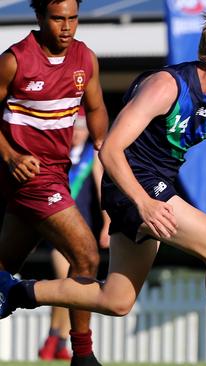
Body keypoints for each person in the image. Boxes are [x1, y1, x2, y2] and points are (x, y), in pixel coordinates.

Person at [0, 3, 206, 366]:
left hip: (154, 192)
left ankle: (14, 291)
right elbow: (111, 149)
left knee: (117, 300)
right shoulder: (167, 86)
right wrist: (143, 203)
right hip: (133, 186)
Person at [0, 1, 108, 365]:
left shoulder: (85, 59)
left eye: (73, 18)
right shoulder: (14, 60)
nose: (67, 27)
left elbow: (95, 108)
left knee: (4, 265)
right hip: (30, 177)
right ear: (40, 18)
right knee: (87, 255)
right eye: (58, 18)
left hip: (58, 173)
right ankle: (82, 355)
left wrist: (102, 142)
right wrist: (11, 156)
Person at [38, 109, 110, 361]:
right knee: (64, 279)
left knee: (72, 286)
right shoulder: (57, 155)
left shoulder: (94, 156)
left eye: (82, 127)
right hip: (57, 230)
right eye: (74, 127)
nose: (78, 132)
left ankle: (56, 338)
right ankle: (54, 338)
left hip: (83, 231)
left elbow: (103, 190)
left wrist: (107, 223)